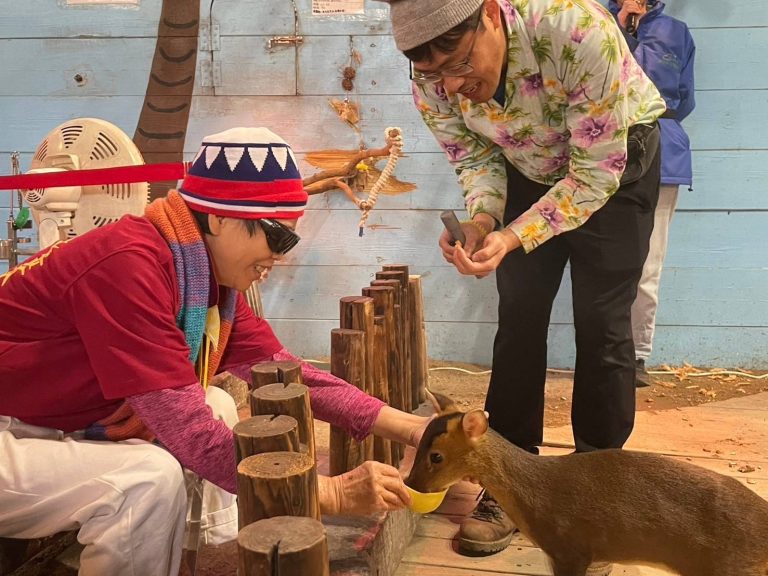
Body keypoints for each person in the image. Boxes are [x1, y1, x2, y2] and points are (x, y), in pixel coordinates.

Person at [0, 127, 428, 576]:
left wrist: (416, 429)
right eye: (277, 237)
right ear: (219, 219)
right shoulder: (127, 264)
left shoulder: (198, 280)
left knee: (219, 404)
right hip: (11, 430)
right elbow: (186, 430)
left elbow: (289, 374)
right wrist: (330, 493)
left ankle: (196, 558)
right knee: (143, 481)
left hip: (38, 420)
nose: (279, 257)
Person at [380, 0, 666, 557]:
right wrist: (483, 218)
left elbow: (591, 176)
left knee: (603, 326)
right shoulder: (432, 75)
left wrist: (513, 237)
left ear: (490, 14)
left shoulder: (577, 29)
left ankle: (597, 495)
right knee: (518, 321)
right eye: (434, 74)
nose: (454, 85)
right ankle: (510, 486)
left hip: (612, 166)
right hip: (529, 170)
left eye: (461, 64)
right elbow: (474, 154)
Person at [609, 0, 696, 388]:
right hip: (603, 149)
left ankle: (636, 355)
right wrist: (623, 26)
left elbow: (686, 98)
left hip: (663, 150)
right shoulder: (595, 21)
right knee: (602, 262)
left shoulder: (676, 32)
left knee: (649, 262)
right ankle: (603, 350)